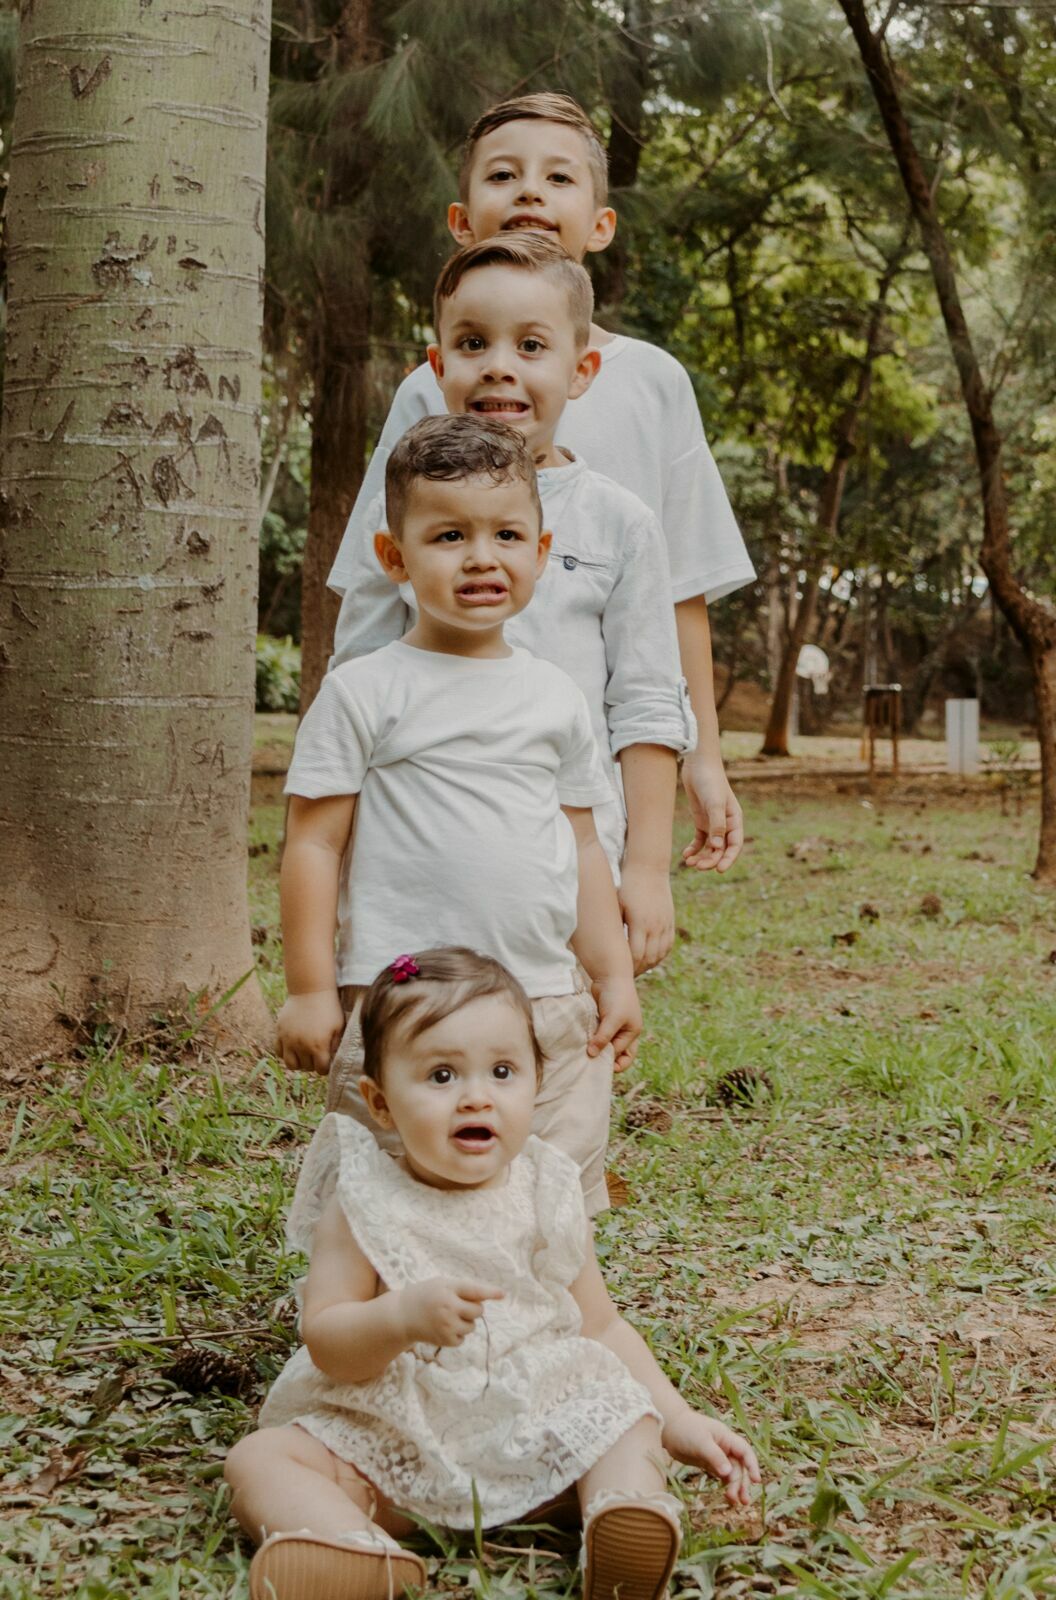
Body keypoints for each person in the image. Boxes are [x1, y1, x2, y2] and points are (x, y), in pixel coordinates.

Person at [226, 948, 761, 1600]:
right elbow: (327, 1338)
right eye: (441, 1075)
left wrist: (675, 1418)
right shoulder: (363, 1202)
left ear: (536, 1083)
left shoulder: (548, 1190)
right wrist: (398, 1318)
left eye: (502, 1071)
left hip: (531, 1428)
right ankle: (354, 1551)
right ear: (381, 1101)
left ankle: (622, 1514)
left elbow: (603, 1326)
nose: (476, 1094)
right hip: (394, 1441)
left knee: (624, 1417)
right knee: (260, 1458)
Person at [327, 91, 756, 877]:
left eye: (558, 178)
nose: (529, 192)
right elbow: (372, 589)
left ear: (599, 223)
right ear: (463, 221)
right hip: (439, 778)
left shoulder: (653, 383)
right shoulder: (430, 392)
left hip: (588, 793)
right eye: (504, 175)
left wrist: (704, 757)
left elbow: (678, 592)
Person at [277, 413, 643, 1215]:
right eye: (449, 536)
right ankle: (379, 1323)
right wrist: (311, 989)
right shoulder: (365, 691)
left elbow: (582, 846)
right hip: (401, 998)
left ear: (541, 554)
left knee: (544, 1190)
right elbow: (312, 843)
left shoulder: (555, 696)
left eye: (508, 535)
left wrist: (611, 975)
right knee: (388, 1190)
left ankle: (533, 1325)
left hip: (543, 998)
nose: (483, 557)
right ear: (394, 557)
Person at [330, 231, 696, 972]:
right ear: (437, 367)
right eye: (472, 343)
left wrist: (648, 871)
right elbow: (356, 671)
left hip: (569, 865)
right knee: (421, 1060)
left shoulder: (621, 523)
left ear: (581, 368)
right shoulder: (392, 514)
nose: (499, 365)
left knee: (564, 1056)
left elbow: (649, 701)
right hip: (418, 859)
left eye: (532, 346)